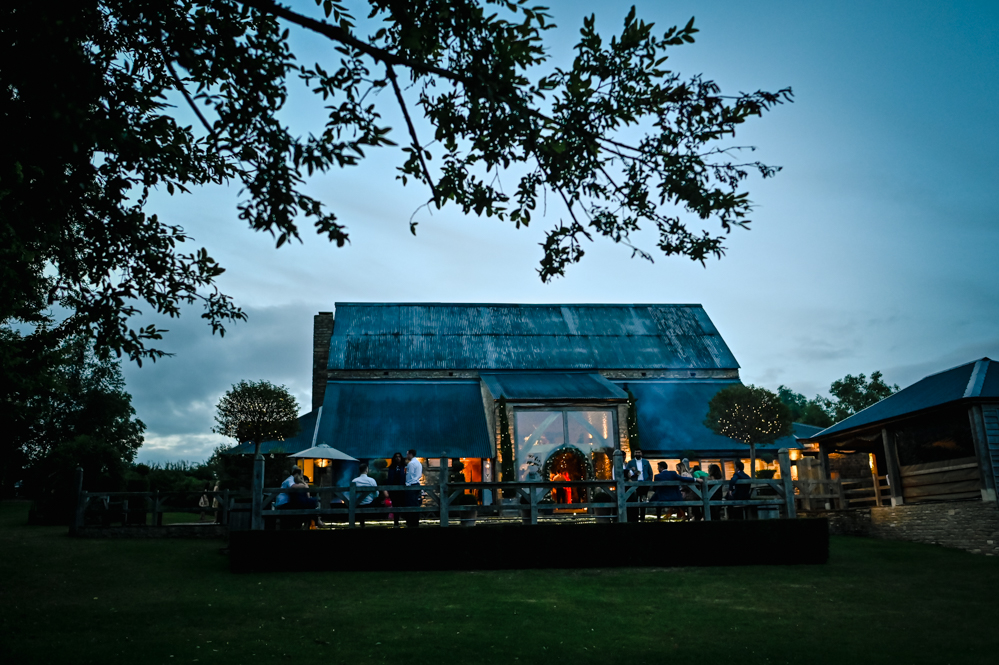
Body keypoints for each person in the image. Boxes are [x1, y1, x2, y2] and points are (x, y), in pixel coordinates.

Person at [351, 462, 386, 527]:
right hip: (370, 504)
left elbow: (352, 495)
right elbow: (376, 494)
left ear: (359, 470)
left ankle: (361, 524)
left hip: (358, 504)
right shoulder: (371, 480)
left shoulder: (354, 481)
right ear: (367, 470)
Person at [625, 450, 653, 521]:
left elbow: (650, 473)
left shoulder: (646, 462)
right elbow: (627, 472)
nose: (637, 454)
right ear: (634, 453)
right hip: (635, 483)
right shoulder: (630, 462)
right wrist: (634, 472)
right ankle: (635, 517)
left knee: (643, 500)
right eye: (636, 452)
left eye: (639, 452)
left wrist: (649, 481)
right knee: (635, 500)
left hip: (644, 483)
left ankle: (643, 517)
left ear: (641, 453)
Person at [386, 452, 406, 528]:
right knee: (395, 506)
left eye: (399, 457)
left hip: (402, 490)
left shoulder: (404, 467)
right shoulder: (391, 468)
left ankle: (406, 521)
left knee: (403, 506)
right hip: (394, 491)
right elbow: (389, 479)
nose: (398, 458)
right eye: (396, 457)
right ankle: (396, 523)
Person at [404, 449, 423, 528]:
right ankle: (415, 522)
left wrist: (407, 484)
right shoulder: (419, 463)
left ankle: (411, 522)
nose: (406, 456)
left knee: (410, 504)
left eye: (407, 454)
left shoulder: (411, 464)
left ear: (411, 454)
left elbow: (409, 476)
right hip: (417, 484)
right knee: (416, 503)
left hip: (411, 485)